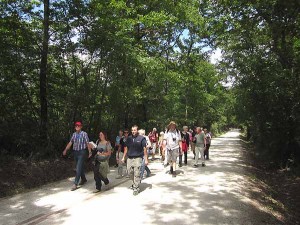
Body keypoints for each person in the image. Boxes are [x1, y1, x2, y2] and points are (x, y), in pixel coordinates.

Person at [62, 121, 92, 191]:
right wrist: (65, 150)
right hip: (75, 152)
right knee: (79, 167)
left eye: (78, 126)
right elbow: (70, 143)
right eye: (76, 126)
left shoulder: (84, 134)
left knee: (78, 167)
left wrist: (90, 152)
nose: (77, 127)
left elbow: (88, 143)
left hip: (82, 152)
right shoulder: (74, 134)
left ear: (81, 127)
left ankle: (75, 184)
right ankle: (83, 179)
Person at [122, 125, 148, 196]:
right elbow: (126, 148)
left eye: (135, 130)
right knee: (129, 172)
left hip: (138, 158)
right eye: (132, 130)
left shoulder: (142, 138)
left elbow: (144, 149)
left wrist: (146, 159)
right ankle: (135, 182)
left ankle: (136, 187)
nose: (133, 131)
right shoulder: (129, 138)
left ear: (137, 130)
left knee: (137, 172)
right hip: (129, 158)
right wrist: (123, 157)